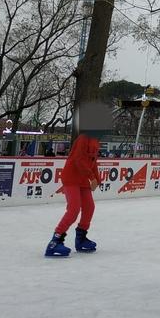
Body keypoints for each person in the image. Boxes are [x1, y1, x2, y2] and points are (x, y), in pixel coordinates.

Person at [44, 102, 111, 258]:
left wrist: (97, 179)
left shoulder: (95, 141)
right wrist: (92, 177)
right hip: (72, 178)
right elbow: (78, 160)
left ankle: (81, 238)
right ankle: (55, 241)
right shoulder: (83, 138)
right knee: (74, 210)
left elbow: (92, 162)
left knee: (89, 207)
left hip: (83, 180)